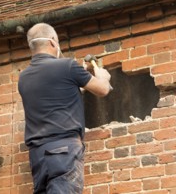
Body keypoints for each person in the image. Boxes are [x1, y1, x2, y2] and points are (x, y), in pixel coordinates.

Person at [18, 23, 111, 194]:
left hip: (38, 156)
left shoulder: (23, 78)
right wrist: (103, 76)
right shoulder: (67, 66)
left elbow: (57, 95)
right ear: (53, 42)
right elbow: (103, 89)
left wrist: (75, 81)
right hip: (63, 151)